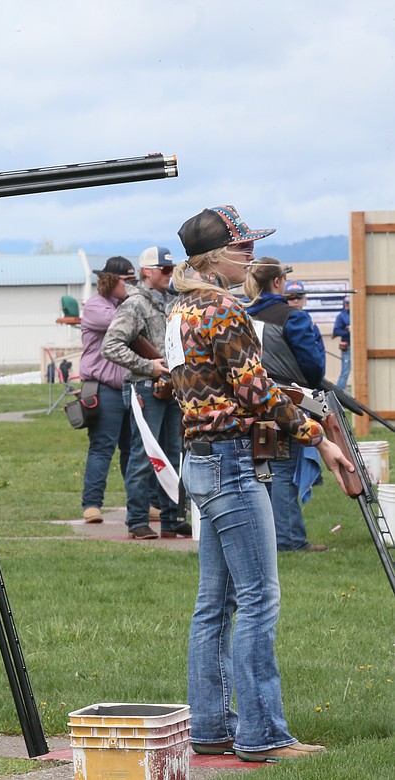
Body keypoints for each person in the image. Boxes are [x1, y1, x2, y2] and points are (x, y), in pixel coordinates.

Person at [171, 205, 352, 763]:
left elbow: (210, 387)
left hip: (201, 461)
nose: (250, 255)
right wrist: (316, 433)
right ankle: (262, 735)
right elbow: (253, 393)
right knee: (258, 600)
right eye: (242, 247)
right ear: (215, 256)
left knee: (215, 603)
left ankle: (211, 727)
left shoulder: (181, 310)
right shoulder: (223, 311)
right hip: (231, 463)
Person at [101, 246, 189, 540]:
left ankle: (172, 518)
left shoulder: (171, 301)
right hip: (145, 387)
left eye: (170, 270)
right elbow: (110, 346)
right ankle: (137, 520)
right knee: (144, 455)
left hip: (171, 388)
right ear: (146, 272)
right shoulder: (134, 305)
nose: (169, 275)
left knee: (173, 453)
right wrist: (147, 366)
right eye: (164, 270)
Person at [244, 259, 328, 553]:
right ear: (278, 283)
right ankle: (289, 539)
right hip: (286, 401)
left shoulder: (241, 314)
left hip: (252, 401)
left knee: (264, 468)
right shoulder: (293, 317)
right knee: (282, 470)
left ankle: (265, 538)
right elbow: (314, 365)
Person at [79, 256, 135, 525]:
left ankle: (139, 503)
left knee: (132, 449)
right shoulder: (95, 307)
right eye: (127, 281)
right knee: (102, 448)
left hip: (128, 387)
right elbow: (125, 324)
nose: (132, 287)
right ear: (112, 280)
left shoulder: (126, 305)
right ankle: (91, 504)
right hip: (104, 389)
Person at [333, 297, 351, 390]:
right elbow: (336, 331)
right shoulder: (341, 316)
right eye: (346, 303)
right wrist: (348, 331)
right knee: (345, 371)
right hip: (347, 346)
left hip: (357, 346)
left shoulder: (356, 314)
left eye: (349, 303)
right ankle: (339, 393)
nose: (347, 305)